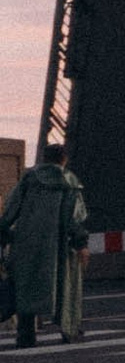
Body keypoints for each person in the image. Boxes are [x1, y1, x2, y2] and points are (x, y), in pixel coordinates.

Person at [1, 140, 89, 347]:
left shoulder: (28, 179)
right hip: (59, 247)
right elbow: (73, 219)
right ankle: (69, 329)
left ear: (43, 158)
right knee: (65, 288)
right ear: (64, 160)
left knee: (25, 288)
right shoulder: (70, 182)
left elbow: (10, 210)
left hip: (26, 245)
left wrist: (4, 234)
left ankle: (25, 336)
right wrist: (81, 243)